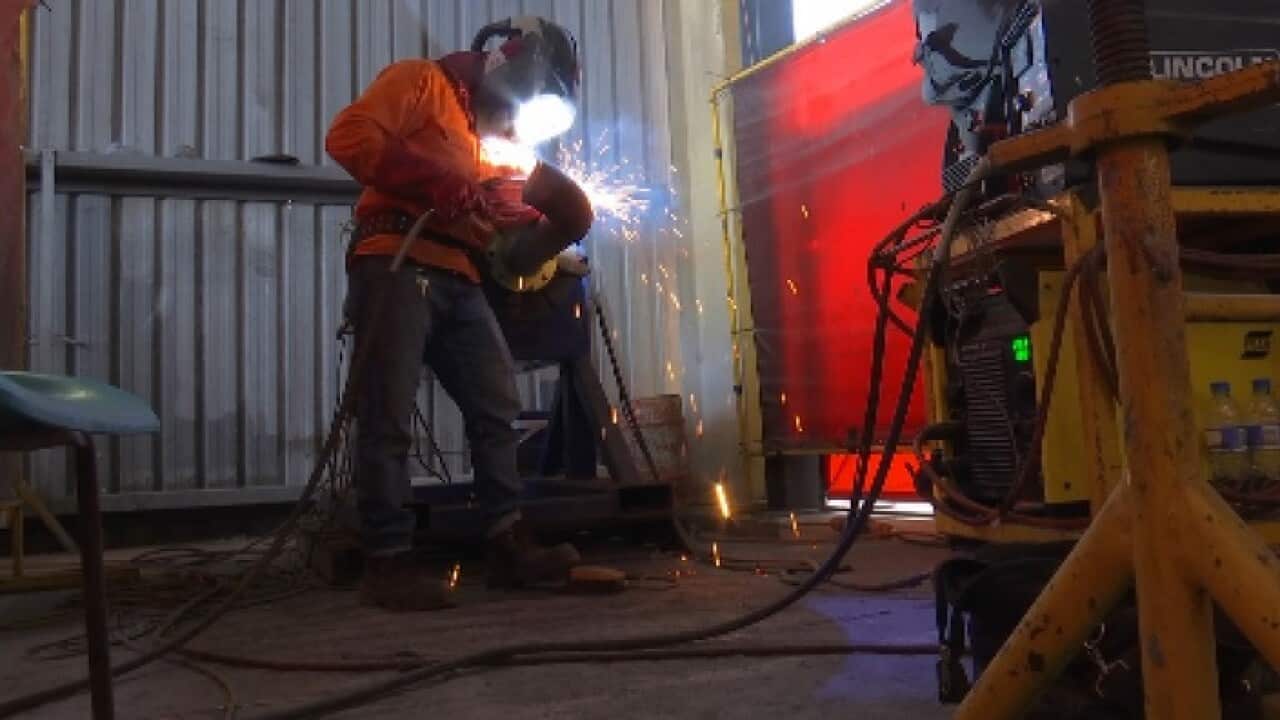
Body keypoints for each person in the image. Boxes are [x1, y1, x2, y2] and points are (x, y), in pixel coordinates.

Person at [325, 17, 587, 611]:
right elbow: (348, 136)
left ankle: (506, 544)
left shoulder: (491, 139)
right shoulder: (419, 84)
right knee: (388, 415)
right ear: (505, 69)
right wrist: (434, 179)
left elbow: (526, 205)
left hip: (462, 277)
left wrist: (563, 217)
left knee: (497, 405)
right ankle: (387, 561)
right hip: (395, 260)